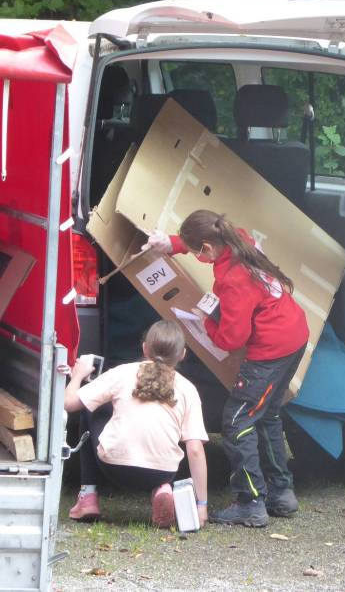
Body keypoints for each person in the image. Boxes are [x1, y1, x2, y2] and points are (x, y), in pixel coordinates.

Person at [145, 209, 309, 527]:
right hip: (294, 335)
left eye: (198, 253)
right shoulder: (238, 239)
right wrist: (173, 243)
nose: (198, 258)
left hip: (270, 351)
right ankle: (281, 492)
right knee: (267, 415)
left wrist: (206, 321)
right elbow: (204, 240)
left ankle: (250, 502)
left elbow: (232, 340)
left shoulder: (234, 281)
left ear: (207, 248)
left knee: (237, 422)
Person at [63, 320, 209, 528]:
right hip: (162, 472)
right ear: (182, 354)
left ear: (144, 348)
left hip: (114, 468)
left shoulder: (122, 373)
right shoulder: (188, 389)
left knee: (91, 405)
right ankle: (162, 489)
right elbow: (195, 450)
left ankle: (88, 497)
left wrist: (77, 376)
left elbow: (69, 403)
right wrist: (201, 505)